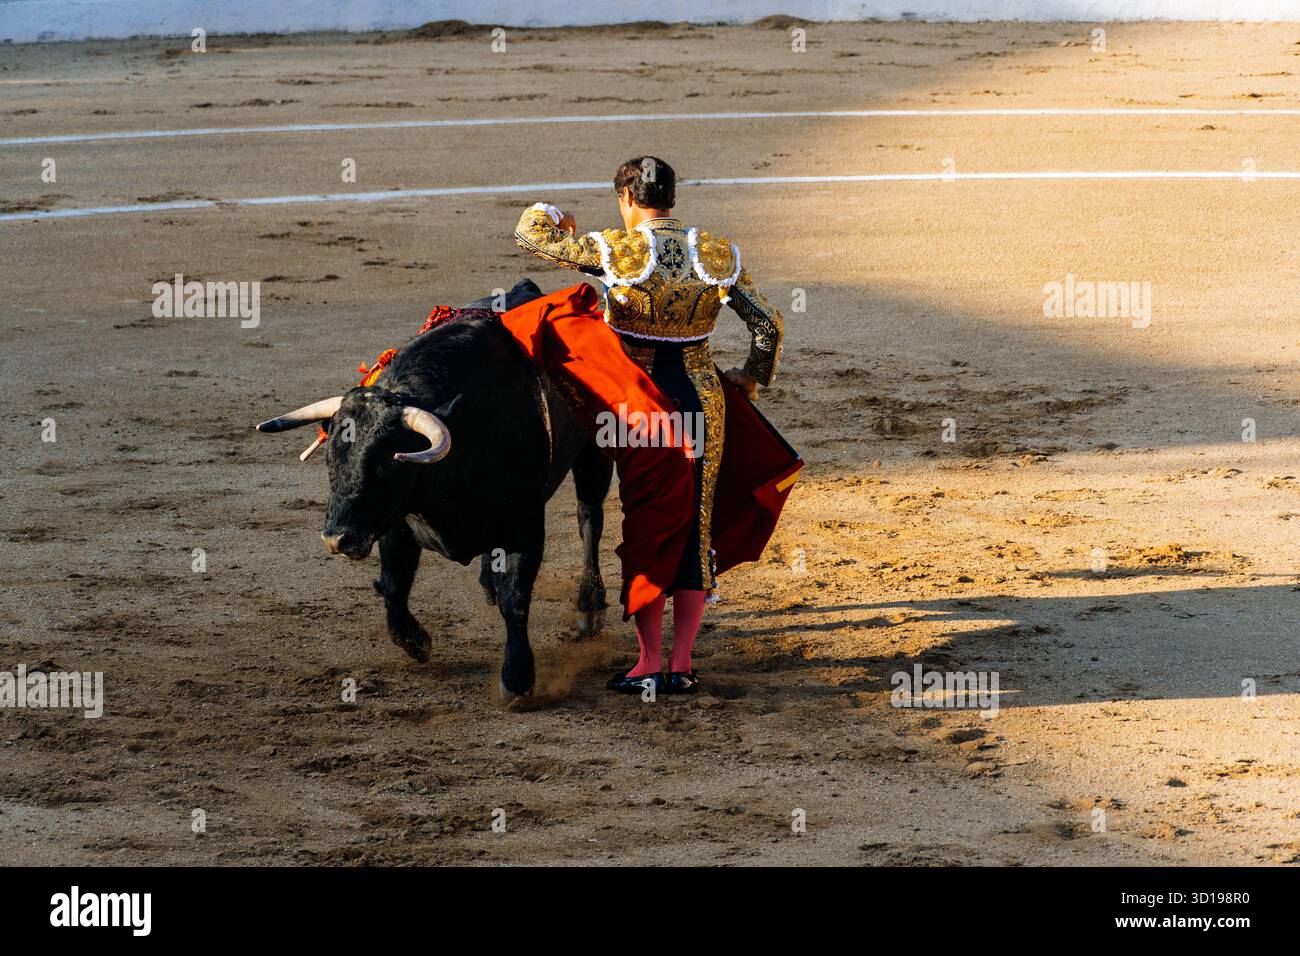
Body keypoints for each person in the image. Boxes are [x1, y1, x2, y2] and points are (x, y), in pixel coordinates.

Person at [514, 156, 785, 695]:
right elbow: (767, 326)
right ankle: (681, 664)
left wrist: (554, 214)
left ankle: (644, 664)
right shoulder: (716, 252)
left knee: (648, 523)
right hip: (701, 400)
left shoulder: (618, 248)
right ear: (672, 198)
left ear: (626, 198)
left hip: (638, 404)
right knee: (694, 525)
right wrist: (750, 380)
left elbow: (530, 235)